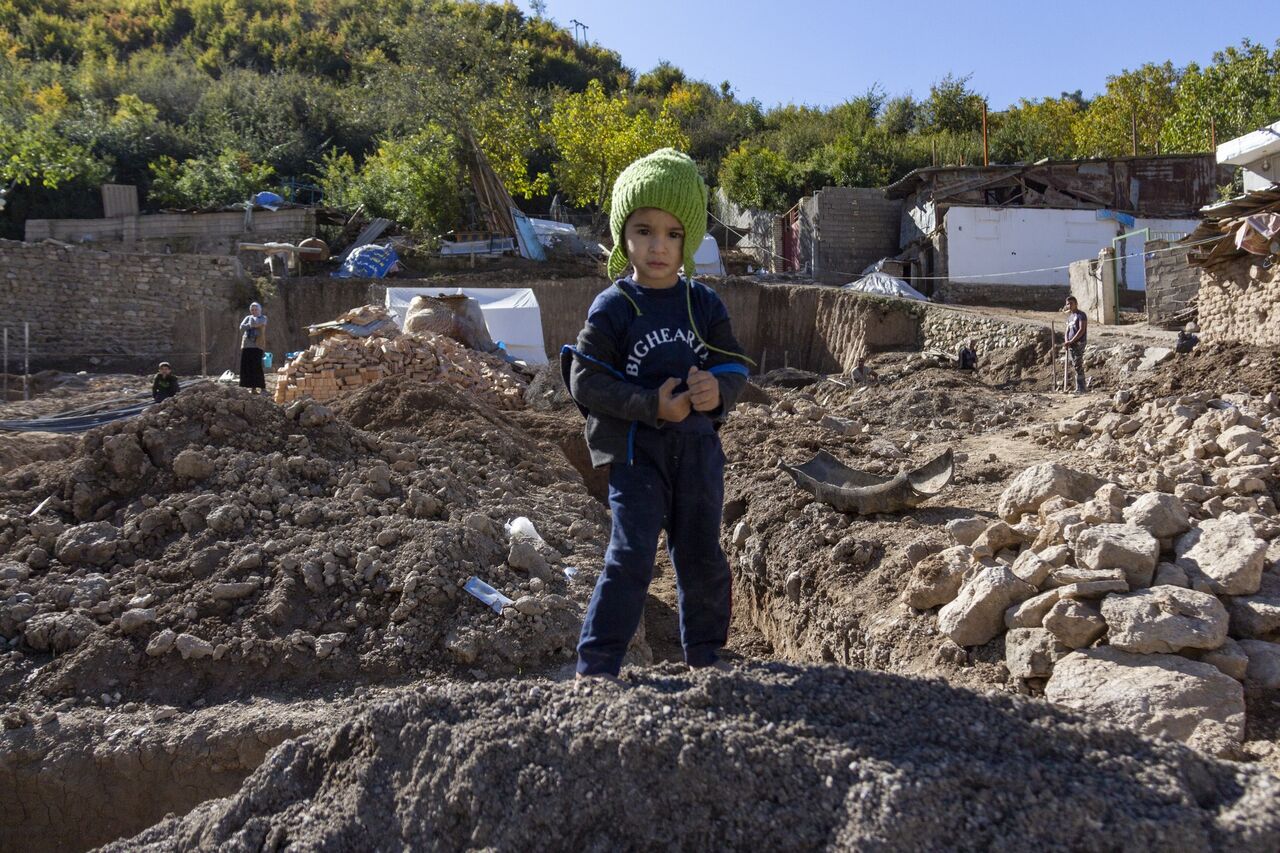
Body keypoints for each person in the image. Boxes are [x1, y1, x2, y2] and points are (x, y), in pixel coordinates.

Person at [561, 148, 751, 680]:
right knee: (631, 556)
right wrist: (651, 405)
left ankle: (707, 658)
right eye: (644, 230)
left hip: (696, 452)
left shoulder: (703, 304)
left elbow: (734, 366)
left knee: (701, 555)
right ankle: (597, 667)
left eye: (672, 233)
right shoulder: (615, 305)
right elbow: (586, 378)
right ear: (624, 235)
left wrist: (718, 390)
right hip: (635, 454)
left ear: (687, 239)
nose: (658, 246)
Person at [239, 302, 268, 393]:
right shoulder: (247, 318)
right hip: (247, 345)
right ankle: (252, 388)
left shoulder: (263, 318)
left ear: (259, 310)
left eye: (256, 309)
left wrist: (250, 324)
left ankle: (262, 387)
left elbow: (257, 323)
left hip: (258, 345)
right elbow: (241, 327)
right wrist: (250, 324)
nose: (254, 311)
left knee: (257, 366)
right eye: (252, 310)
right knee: (247, 366)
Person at [1062, 296, 1088, 394]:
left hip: (1079, 342)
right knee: (1075, 364)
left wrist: (1072, 341)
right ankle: (1079, 387)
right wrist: (1066, 341)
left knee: (1078, 363)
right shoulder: (1070, 317)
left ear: (1076, 304)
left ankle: (1081, 388)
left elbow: (1081, 330)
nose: (1069, 305)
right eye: (1068, 303)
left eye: (1071, 303)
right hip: (1071, 344)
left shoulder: (1081, 315)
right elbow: (1067, 331)